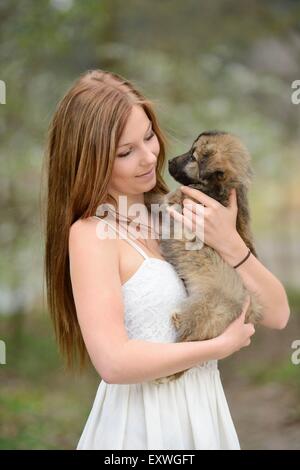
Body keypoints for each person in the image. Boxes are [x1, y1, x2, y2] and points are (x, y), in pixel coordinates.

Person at [44, 69, 290, 450]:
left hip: (205, 417)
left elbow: (277, 313)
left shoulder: (177, 211)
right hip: (141, 428)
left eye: (148, 137)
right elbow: (113, 362)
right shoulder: (92, 234)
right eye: (126, 152)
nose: (148, 157)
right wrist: (216, 348)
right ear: (90, 159)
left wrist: (230, 243)